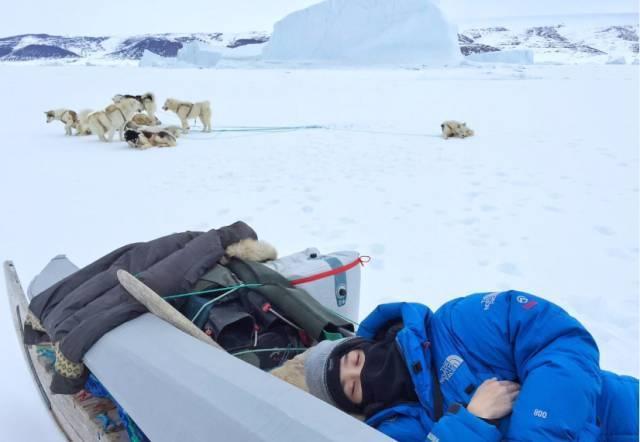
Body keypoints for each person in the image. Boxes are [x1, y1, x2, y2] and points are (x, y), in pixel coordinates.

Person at [304, 290, 639, 441]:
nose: (362, 373)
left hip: (619, 411)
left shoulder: (455, 323)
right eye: (353, 387)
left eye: (356, 360)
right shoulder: (395, 429)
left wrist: (537, 430)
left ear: (368, 344)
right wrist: (469, 422)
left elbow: (557, 340)